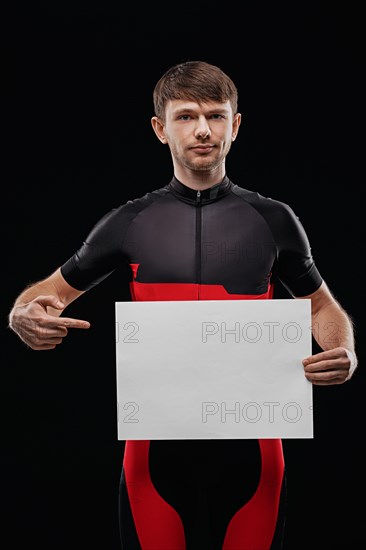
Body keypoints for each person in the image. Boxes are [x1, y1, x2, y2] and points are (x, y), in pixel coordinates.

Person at [9, 60, 358, 550]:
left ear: (235, 125)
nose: (202, 130)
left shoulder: (273, 220)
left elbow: (322, 308)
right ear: (160, 128)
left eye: (216, 116)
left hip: (253, 449)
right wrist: (22, 314)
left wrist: (344, 350)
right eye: (186, 116)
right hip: (154, 451)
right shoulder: (130, 222)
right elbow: (47, 294)